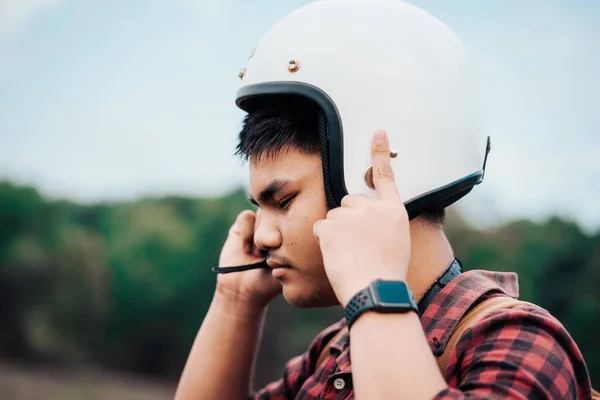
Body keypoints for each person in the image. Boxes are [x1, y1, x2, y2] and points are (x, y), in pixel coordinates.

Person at [175, 0, 595, 399]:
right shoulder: (335, 352)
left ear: (373, 180)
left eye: (283, 200)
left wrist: (373, 290)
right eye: (258, 206)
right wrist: (235, 302)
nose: (262, 235)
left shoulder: (521, 341)